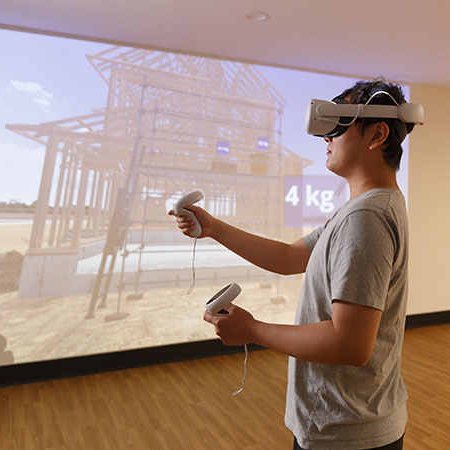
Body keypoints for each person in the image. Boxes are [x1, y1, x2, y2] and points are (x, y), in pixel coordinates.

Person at [177, 79, 414, 450]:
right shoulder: (366, 209)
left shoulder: (365, 217)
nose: (327, 138)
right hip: (348, 423)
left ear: (377, 135)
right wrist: (213, 228)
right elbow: (289, 258)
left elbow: (350, 344)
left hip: (346, 432)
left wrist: (252, 330)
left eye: (340, 125)